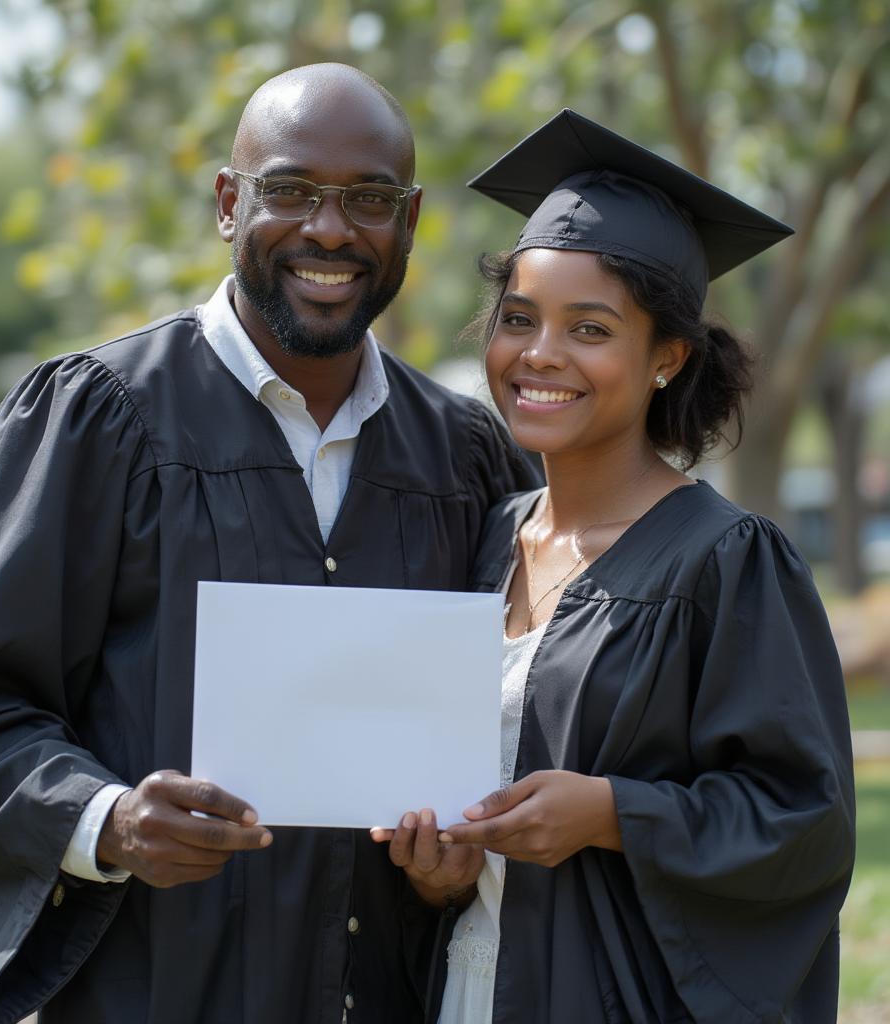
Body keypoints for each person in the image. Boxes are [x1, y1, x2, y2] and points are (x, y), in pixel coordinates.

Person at [0, 64, 537, 1024]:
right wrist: (107, 821)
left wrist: (458, 859)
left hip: (387, 990)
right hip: (156, 987)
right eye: (289, 190)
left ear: (408, 222)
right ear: (229, 204)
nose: (329, 229)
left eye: (368, 199)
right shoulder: (96, 418)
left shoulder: (466, 453)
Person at [373, 109, 855, 1023]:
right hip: (467, 990)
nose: (540, 355)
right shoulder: (482, 541)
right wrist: (441, 876)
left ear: (666, 357)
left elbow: (803, 825)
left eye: (590, 329)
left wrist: (610, 813)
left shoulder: (724, 562)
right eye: (519, 320)